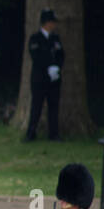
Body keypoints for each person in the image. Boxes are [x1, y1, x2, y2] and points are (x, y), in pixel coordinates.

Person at [25, 9, 64, 141]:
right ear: (46, 23)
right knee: (36, 106)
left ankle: (54, 134)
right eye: (52, 22)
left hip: (54, 79)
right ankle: (30, 133)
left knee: (54, 107)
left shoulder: (56, 38)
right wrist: (48, 67)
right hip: (39, 78)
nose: (54, 25)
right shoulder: (35, 38)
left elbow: (60, 55)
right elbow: (36, 56)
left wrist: (56, 67)